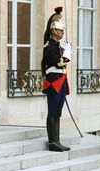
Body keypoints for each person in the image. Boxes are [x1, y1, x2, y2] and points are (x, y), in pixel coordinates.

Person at [41, 7, 71, 152]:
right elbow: (55, 62)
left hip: (61, 80)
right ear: (53, 30)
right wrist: (65, 57)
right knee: (53, 111)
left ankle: (57, 140)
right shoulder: (49, 46)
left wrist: (66, 52)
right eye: (59, 30)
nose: (62, 32)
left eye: (62, 30)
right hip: (54, 81)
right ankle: (52, 142)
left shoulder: (59, 47)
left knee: (58, 112)